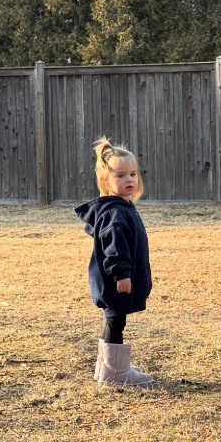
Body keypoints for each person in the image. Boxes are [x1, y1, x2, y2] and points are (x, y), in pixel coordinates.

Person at [74, 137, 154, 387]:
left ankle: (106, 366)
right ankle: (116, 373)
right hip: (116, 278)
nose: (129, 179)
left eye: (132, 174)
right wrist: (122, 274)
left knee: (114, 319)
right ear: (105, 181)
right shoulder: (116, 213)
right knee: (116, 320)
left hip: (116, 277)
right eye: (120, 175)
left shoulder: (121, 207)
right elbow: (114, 246)